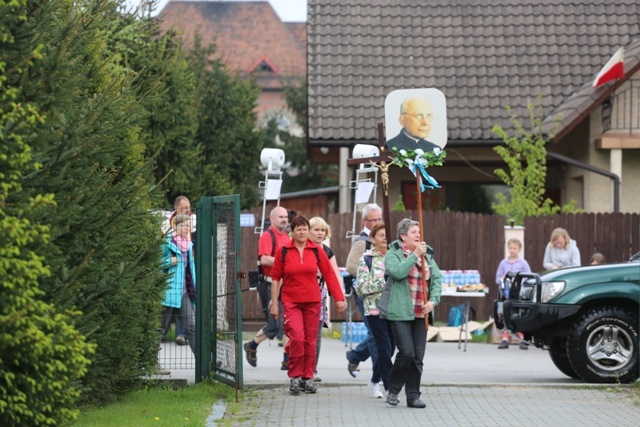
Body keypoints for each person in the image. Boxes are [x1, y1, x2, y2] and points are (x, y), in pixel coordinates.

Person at [269, 215, 347, 395]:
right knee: (297, 338)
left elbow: (329, 274)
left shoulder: (316, 251)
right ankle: (295, 376)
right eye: (299, 229)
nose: (302, 232)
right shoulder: (284, 251)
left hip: (313, 302)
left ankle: (308, 377)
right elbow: (275, 279)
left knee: (310, 341)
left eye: (305, 229)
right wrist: (274, 303)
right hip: (291, 301)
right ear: (293, 231)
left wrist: (339, 298)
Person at [382, 219, 442, 408]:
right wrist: (414, 255)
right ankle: (393, 389)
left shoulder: (427, 254)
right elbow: (397, 272)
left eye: (419, 232)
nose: (418, 235)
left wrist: (432, 301)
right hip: (400, 310)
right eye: (414, 232)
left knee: (418, 356)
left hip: (420, 312)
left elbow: (437, 279)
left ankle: (413, 396)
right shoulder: (393, 254)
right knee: (406, 353)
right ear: (403, 236)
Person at [243, 206, 290, 369]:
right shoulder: (267, 236)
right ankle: (251, 345)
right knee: (275, 324)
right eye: (280, 217)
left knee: (287, 322)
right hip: (271, 283)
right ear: (272, 219)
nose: (284, 219)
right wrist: (284, 262)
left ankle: (287, 359)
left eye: (285, 217)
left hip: (285, 284)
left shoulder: (285, 236)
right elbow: (264, 259)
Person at [354, 222, 395, 399]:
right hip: (374, 311)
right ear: (372, 239)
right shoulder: (367, 259)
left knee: (391, 348)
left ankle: (375, 379)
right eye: (380, 235)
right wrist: (384, 283)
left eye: (387, 235)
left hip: (395, 311)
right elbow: (361, 287)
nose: (385, 238)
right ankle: (389, 388)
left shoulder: (397, 257)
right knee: (384, 348)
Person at [345, 203, 382, 377]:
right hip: (366, 292)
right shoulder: (363, 241)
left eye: (378, 219)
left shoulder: (380, 238)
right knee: (375, 332)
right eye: (372, 220)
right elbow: (351, 266)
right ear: (364, 221)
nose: (376, 222)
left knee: (380, 332)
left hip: (380, 293)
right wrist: (369, 280)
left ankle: (355, 355)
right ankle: (379, 374)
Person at [308, 217, 344, 382]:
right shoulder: (303, 249)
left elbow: (334, 275)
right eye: (316, 229)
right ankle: (299, 369)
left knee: (316, 334)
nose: (320, 233)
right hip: (301, 295)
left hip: (319, 297)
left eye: (322, 230)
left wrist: (339, 297)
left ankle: (313, 370)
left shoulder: (328, 252)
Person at [160, 214, 196, 356]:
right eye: (184, 225)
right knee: (160, 328)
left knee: (192, 326)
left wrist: (194, 287)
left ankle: (204, 362)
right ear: (175, 226)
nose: (187, 228)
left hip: (184, 292)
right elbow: (157, 264)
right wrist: (171, 260)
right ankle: (153, 363)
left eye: (188, 225)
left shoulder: (188, 245)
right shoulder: (167, 243)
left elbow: (190, 269)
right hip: (168, 291)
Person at [495, 238, 531, 350]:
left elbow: (528, 276)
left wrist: (521, 283)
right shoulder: (503, 263)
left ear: (519, 249)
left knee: (518, 313)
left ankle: (522, 338)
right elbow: (497, 277)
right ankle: (505, 338)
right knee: (504, 314)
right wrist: (501, 279)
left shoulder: (523, 263)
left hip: (518, 293)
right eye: (510, 248)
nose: (512, 250)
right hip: (505, 294)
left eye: (515, 248)